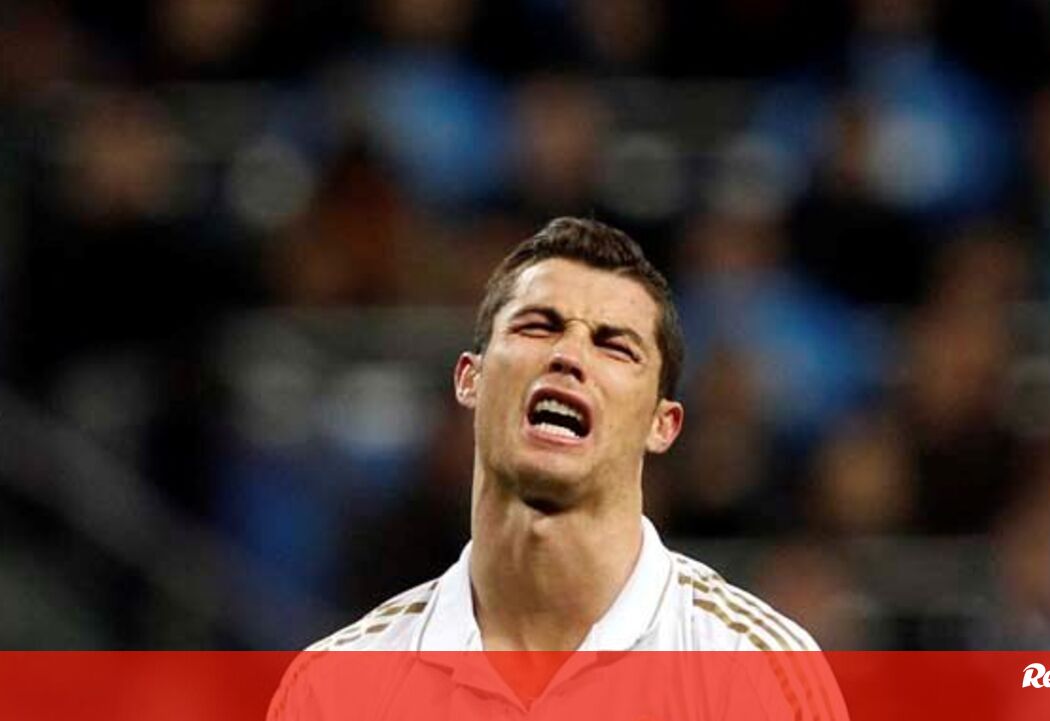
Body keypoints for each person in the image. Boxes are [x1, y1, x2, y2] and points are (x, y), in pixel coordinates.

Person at [269, 218, 846, 721]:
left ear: (662, 424)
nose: (568, 356)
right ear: (469, 379)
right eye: (537, 326)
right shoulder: (337, 689)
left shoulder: (756, 674)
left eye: (614, 346)